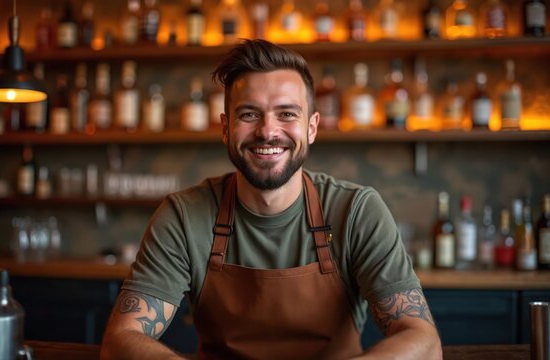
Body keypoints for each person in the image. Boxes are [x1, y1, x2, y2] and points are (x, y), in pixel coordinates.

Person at [100, 39, 442, 360]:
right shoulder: (184, 216)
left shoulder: (356, 211)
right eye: (249, 114)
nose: (267, 130)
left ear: (311, 127)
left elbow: (423, 342)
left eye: (287, 114)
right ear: (225, 128)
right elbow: (121, 339)